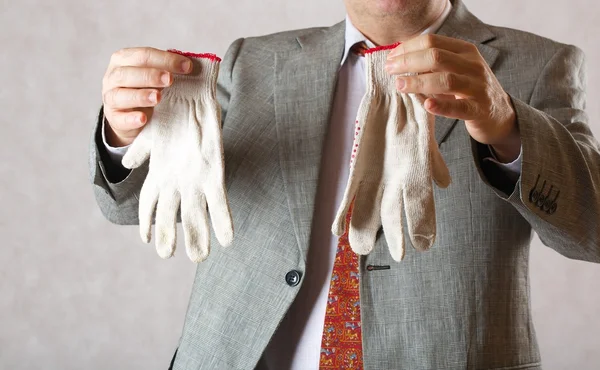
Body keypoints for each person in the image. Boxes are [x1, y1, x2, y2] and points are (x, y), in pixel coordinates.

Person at [89, 0, 600, 368]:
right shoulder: (253, 62)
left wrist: (506, 123)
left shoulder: (536, 64)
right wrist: (122, 131)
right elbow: (131, 206)